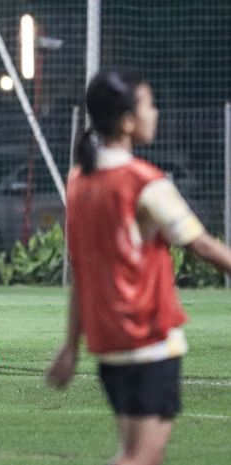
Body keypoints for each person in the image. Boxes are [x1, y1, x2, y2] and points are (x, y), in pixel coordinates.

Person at [46, 69, 231, 465]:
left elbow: (82, 271)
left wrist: (71, 346)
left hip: (110, 341)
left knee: (139, 454)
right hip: (147, 336)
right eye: (149, 104)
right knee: (140, 457)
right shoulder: (143, 181)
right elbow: (200, 245)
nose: (156, 112)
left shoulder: (79, 182)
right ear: (128, 121)